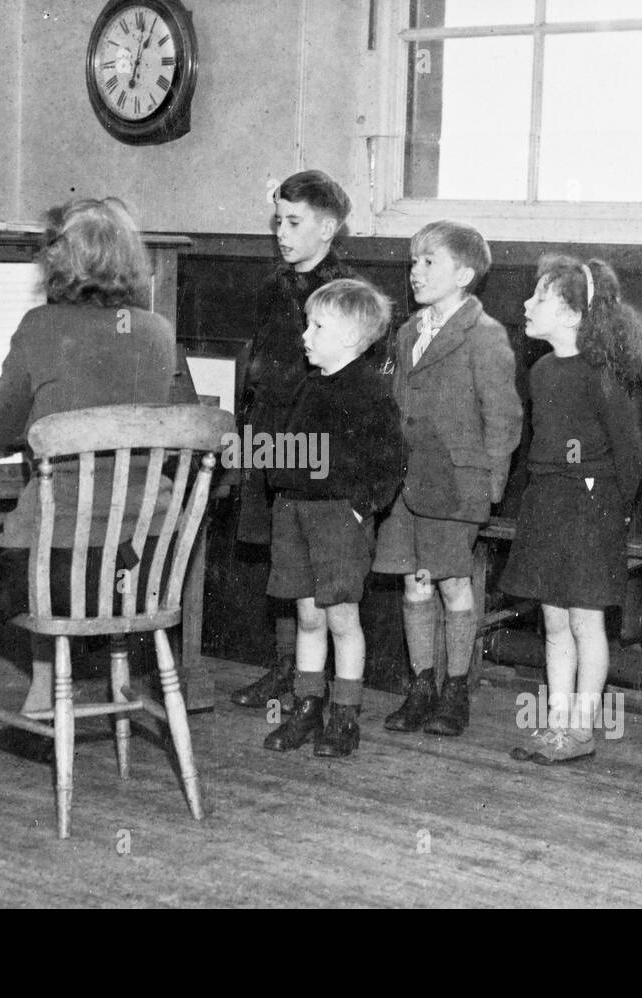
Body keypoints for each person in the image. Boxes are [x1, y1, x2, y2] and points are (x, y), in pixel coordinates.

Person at [0, 198, 192, 769]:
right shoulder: (158, 332)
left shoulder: (41, 326)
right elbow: (184, 421)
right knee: (51, 532)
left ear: (61, 261)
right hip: (135, 565)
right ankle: (37, 713)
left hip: (59, 570)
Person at [500, 255, 642, 764]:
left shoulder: (600, 375)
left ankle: (582, 729)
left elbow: (630, 455)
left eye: (539, 297)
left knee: (587, 623)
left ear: (569, 315)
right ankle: (556, 724)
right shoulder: (541, 370)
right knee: (554, 621)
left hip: (592, 508)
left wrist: (609, 510)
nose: (526, 303)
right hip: (548, 503)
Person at [374, 220, 522, 738]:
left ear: (464, 274)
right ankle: (422, 686)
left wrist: (488, 488)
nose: (415, 272)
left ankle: (456, 691)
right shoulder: (410, 330)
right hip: (407, 485)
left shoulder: (486, 336)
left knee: (455, 583)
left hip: (457, 485)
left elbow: (504, 421)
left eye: (428, 262)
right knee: (415, 583)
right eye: (413, 261)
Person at [261, 278, 406, 757]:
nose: (306, 334)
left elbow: (390, 462)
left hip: (339, 521)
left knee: (342, 618)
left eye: (317, 326)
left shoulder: (371, 391)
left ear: (348, 338)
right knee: (307, 615)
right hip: (295, 514)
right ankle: (307, 708)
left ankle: (344, 715)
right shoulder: (308, 385)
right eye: (307, 323)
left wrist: (361, 508)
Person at [229, 170, 357, 711]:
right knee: (280, 556)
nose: (282, 232)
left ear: (327, 229)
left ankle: (315, 680)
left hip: (311, 445)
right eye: (278, 220)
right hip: (267, 435)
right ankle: (286, 667)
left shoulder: (342, 294)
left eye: (294, 222)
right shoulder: (272, 287)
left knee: (312, 564)